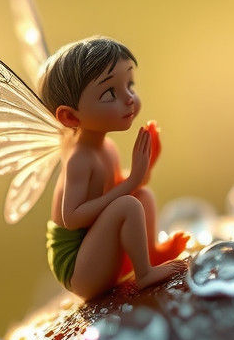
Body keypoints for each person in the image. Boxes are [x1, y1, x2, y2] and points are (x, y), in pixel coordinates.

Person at [39, 36, 188, 299]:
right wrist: (131, 182)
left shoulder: (107, 148)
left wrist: (145, 167)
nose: (130, 99)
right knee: (130, 203)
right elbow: (72, 218)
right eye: (110, 93)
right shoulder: (79, 160)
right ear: (70, 116)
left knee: (142, 197)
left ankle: (150, 255)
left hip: (97, 249)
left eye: (130, 85)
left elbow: (121, 192)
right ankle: (144, 275)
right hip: (78, 268)